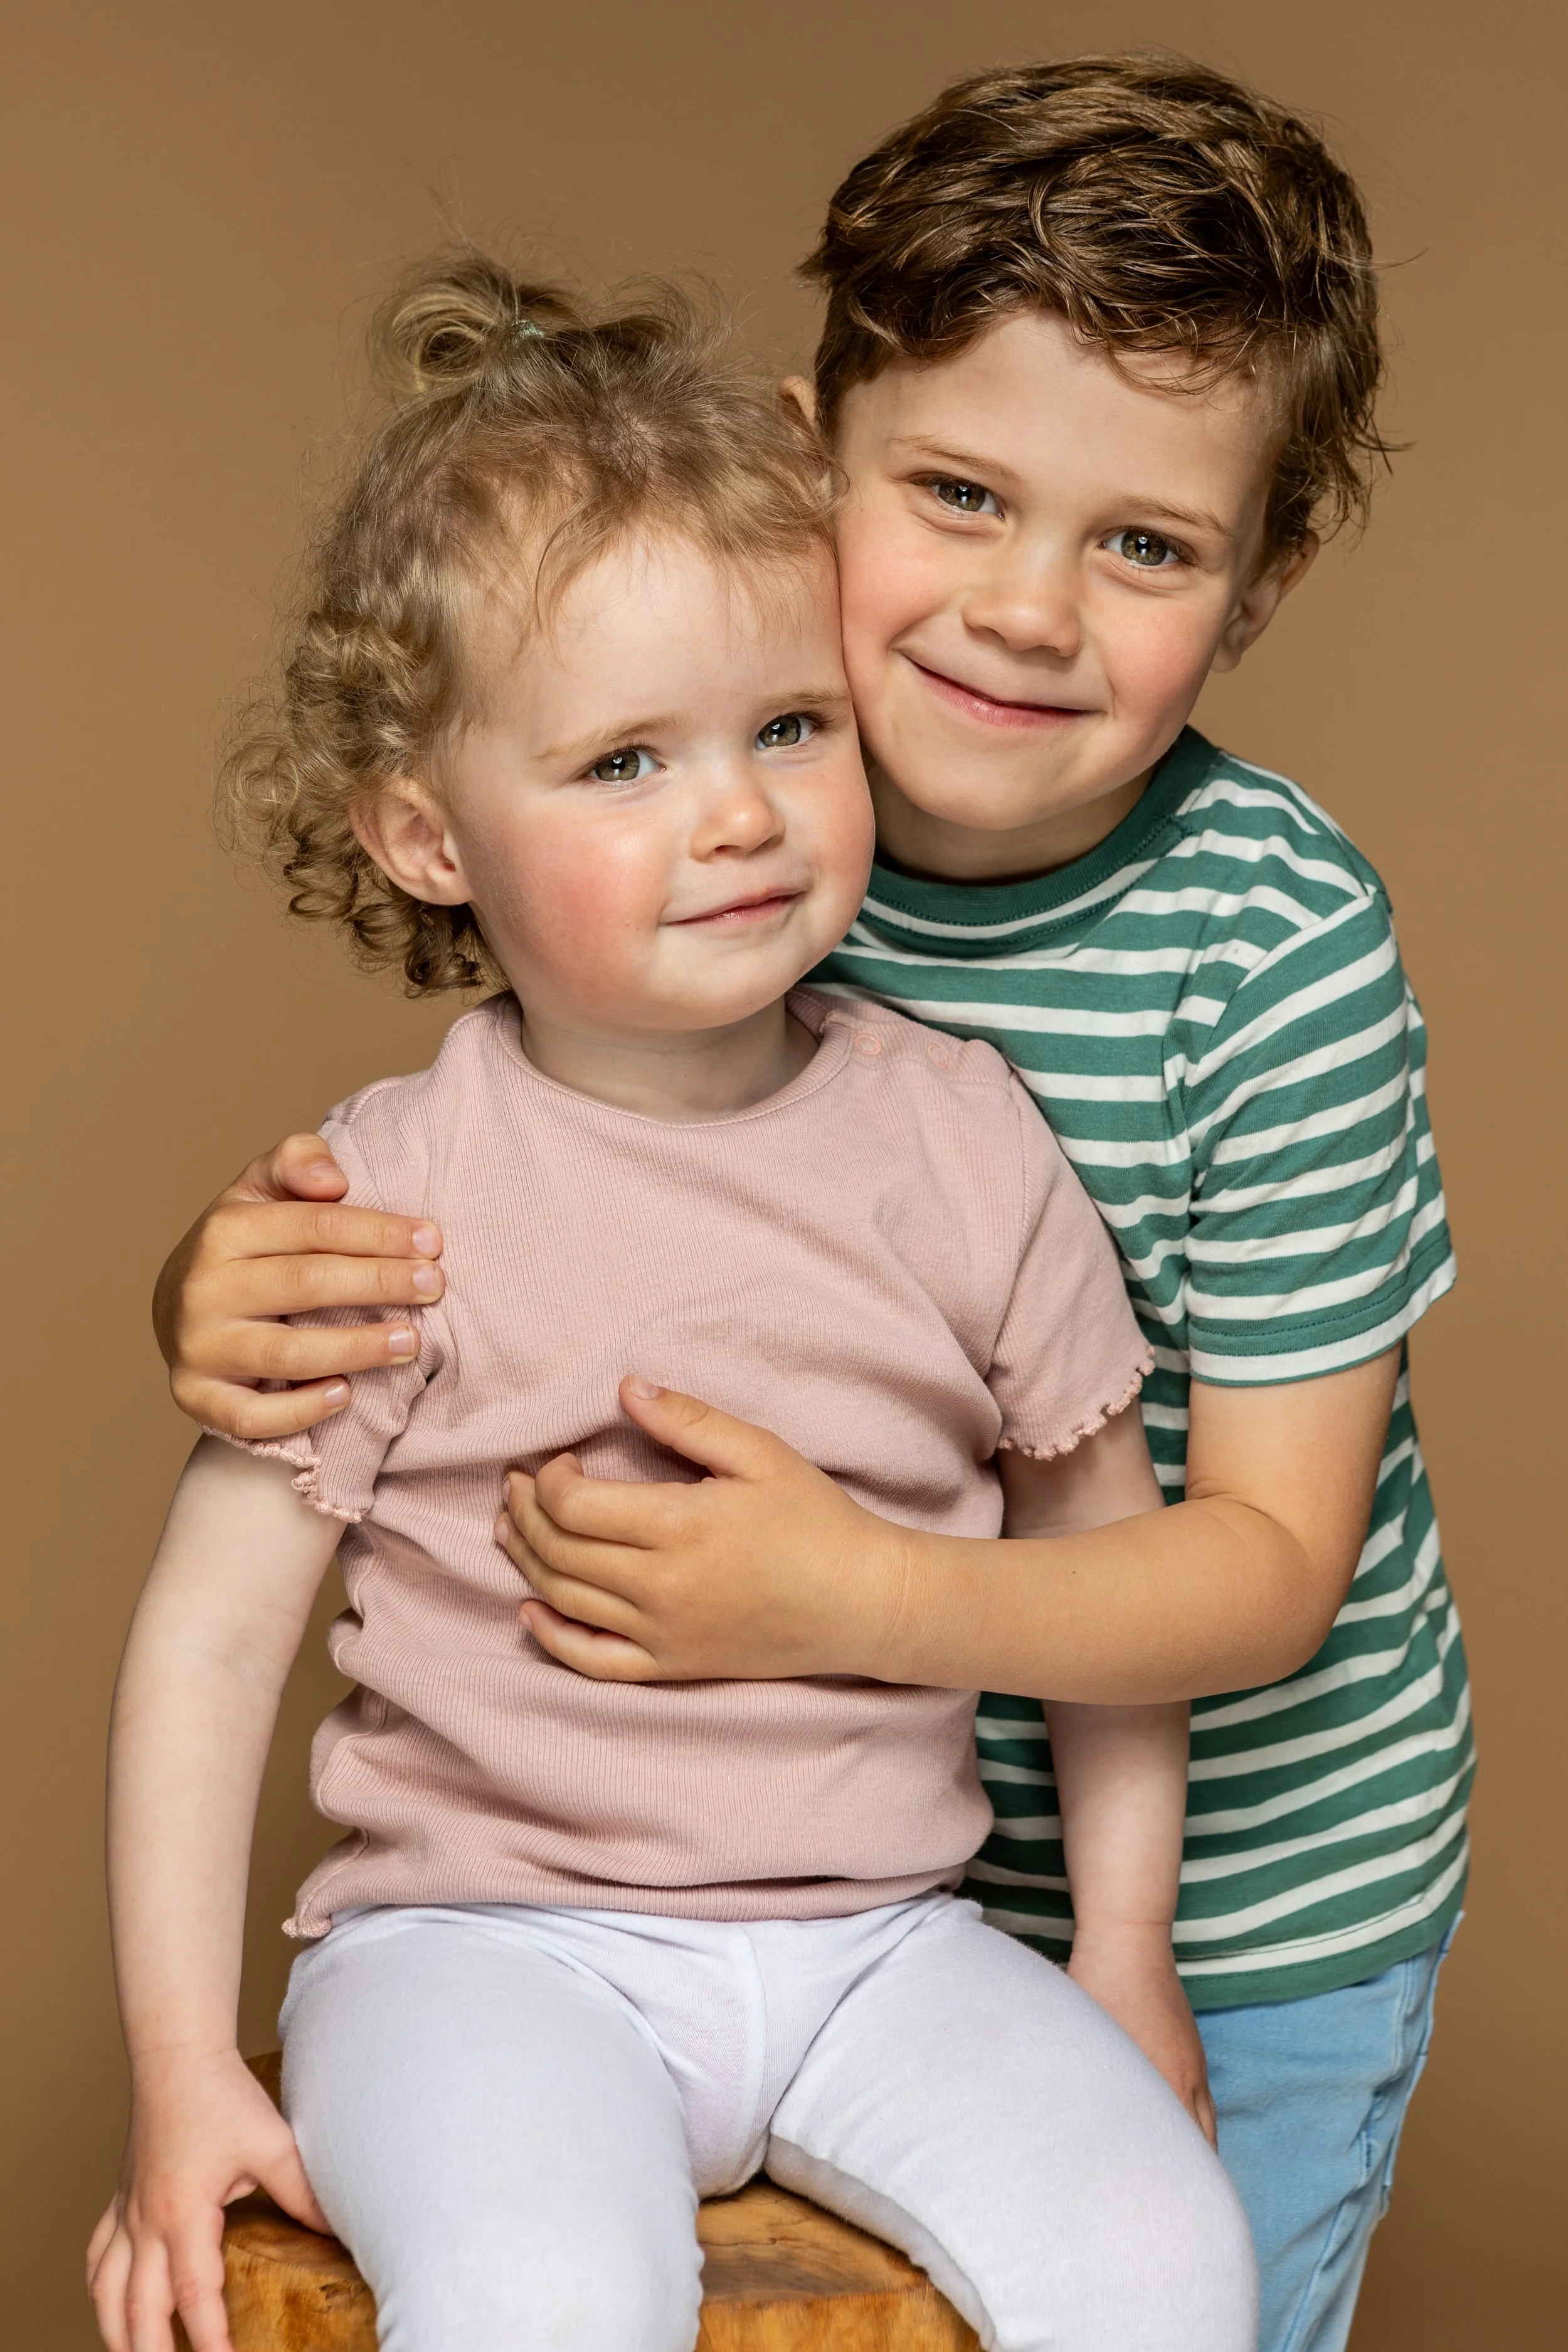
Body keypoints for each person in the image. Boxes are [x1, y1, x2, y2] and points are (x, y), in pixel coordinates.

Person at [153, 55, 1469, 2352]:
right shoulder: (743, 855)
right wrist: (220, 1284)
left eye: (1144, 543)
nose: (1025, 611)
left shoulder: (1268, 948)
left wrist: (847, 1595)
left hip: (1243, 1876)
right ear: (802, 464)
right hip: (745, 1861)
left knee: (1191, 2289)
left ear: (1251, 588)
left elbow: (1261, 1570)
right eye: (955, 492)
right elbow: (496, 1142)